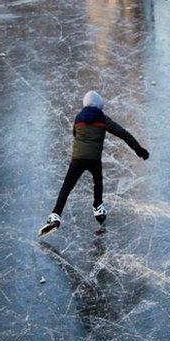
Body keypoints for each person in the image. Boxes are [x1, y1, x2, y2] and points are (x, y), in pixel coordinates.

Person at [39, 91, 150, 236]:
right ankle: (98, 207)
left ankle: (55, 215)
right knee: (98, 182)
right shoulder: (102, 119)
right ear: (99, 105)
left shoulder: (78, 118)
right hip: (94, 160)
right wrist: (139, 149)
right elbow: (123, 133)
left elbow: (75, 134)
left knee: (66, 188)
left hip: (77, 159)